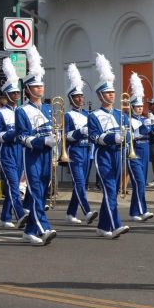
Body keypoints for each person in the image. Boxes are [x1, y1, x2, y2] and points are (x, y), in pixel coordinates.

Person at [15, 45, 56, 245]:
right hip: (32, 155)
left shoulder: (49, 109)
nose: (40, 89)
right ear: (28, 90)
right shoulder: (22, 111)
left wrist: (55, 139)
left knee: (41, 190)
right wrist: (41, 141)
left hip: (48, 154)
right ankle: (43, 227)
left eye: (41, 86)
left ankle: (29, 231)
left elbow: (54, 130)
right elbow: (22, 137)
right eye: (36, 87)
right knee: (36, 189)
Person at [88, 53, 130, 239]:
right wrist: (114, 137)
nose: (111, 95)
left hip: (118, 155)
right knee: (110, 189)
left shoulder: (121, 114)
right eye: (107, 93)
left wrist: (126, 137)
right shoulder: (94, 116)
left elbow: (129, 133)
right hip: (103, 154)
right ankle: (115, 224)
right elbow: (95, 137)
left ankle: (103, 226)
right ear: (100, 95)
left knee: (111, 191)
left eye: (112, 93)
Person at [0, 57, 28, 229]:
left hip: (20, 150)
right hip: (6, 151)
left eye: (17, 93)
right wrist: (13, 134)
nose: (16, 96)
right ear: (6, 95)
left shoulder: (22, 111)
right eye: (13, 93)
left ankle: (5, 217)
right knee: (13, 184)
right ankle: (20, 214)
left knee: (15, 184)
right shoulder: (0, 113)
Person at [64, 63, 98, 225]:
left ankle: (71, 213)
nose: (80, 99)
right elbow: (66, 136)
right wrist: (80, 132)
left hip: (87, 151)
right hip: (75, 151)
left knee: (81, 183)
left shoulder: (87, 114)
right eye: (77, 97)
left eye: (81, 96)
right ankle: (87, 211)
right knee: (79, 183)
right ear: (71, 99)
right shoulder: (68, 115)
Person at [127, 72, 154, 221]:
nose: (140, 109)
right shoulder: (128, 121)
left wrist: (153, 124)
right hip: (135, 153)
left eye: (141, 106)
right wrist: (145, 128)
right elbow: (131, 136)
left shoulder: (146, 119)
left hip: (145, 151)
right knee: (139, 182)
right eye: (137, 107)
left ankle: (134, 212)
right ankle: (142, 210)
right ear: (132, 107)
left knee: (141, 183)